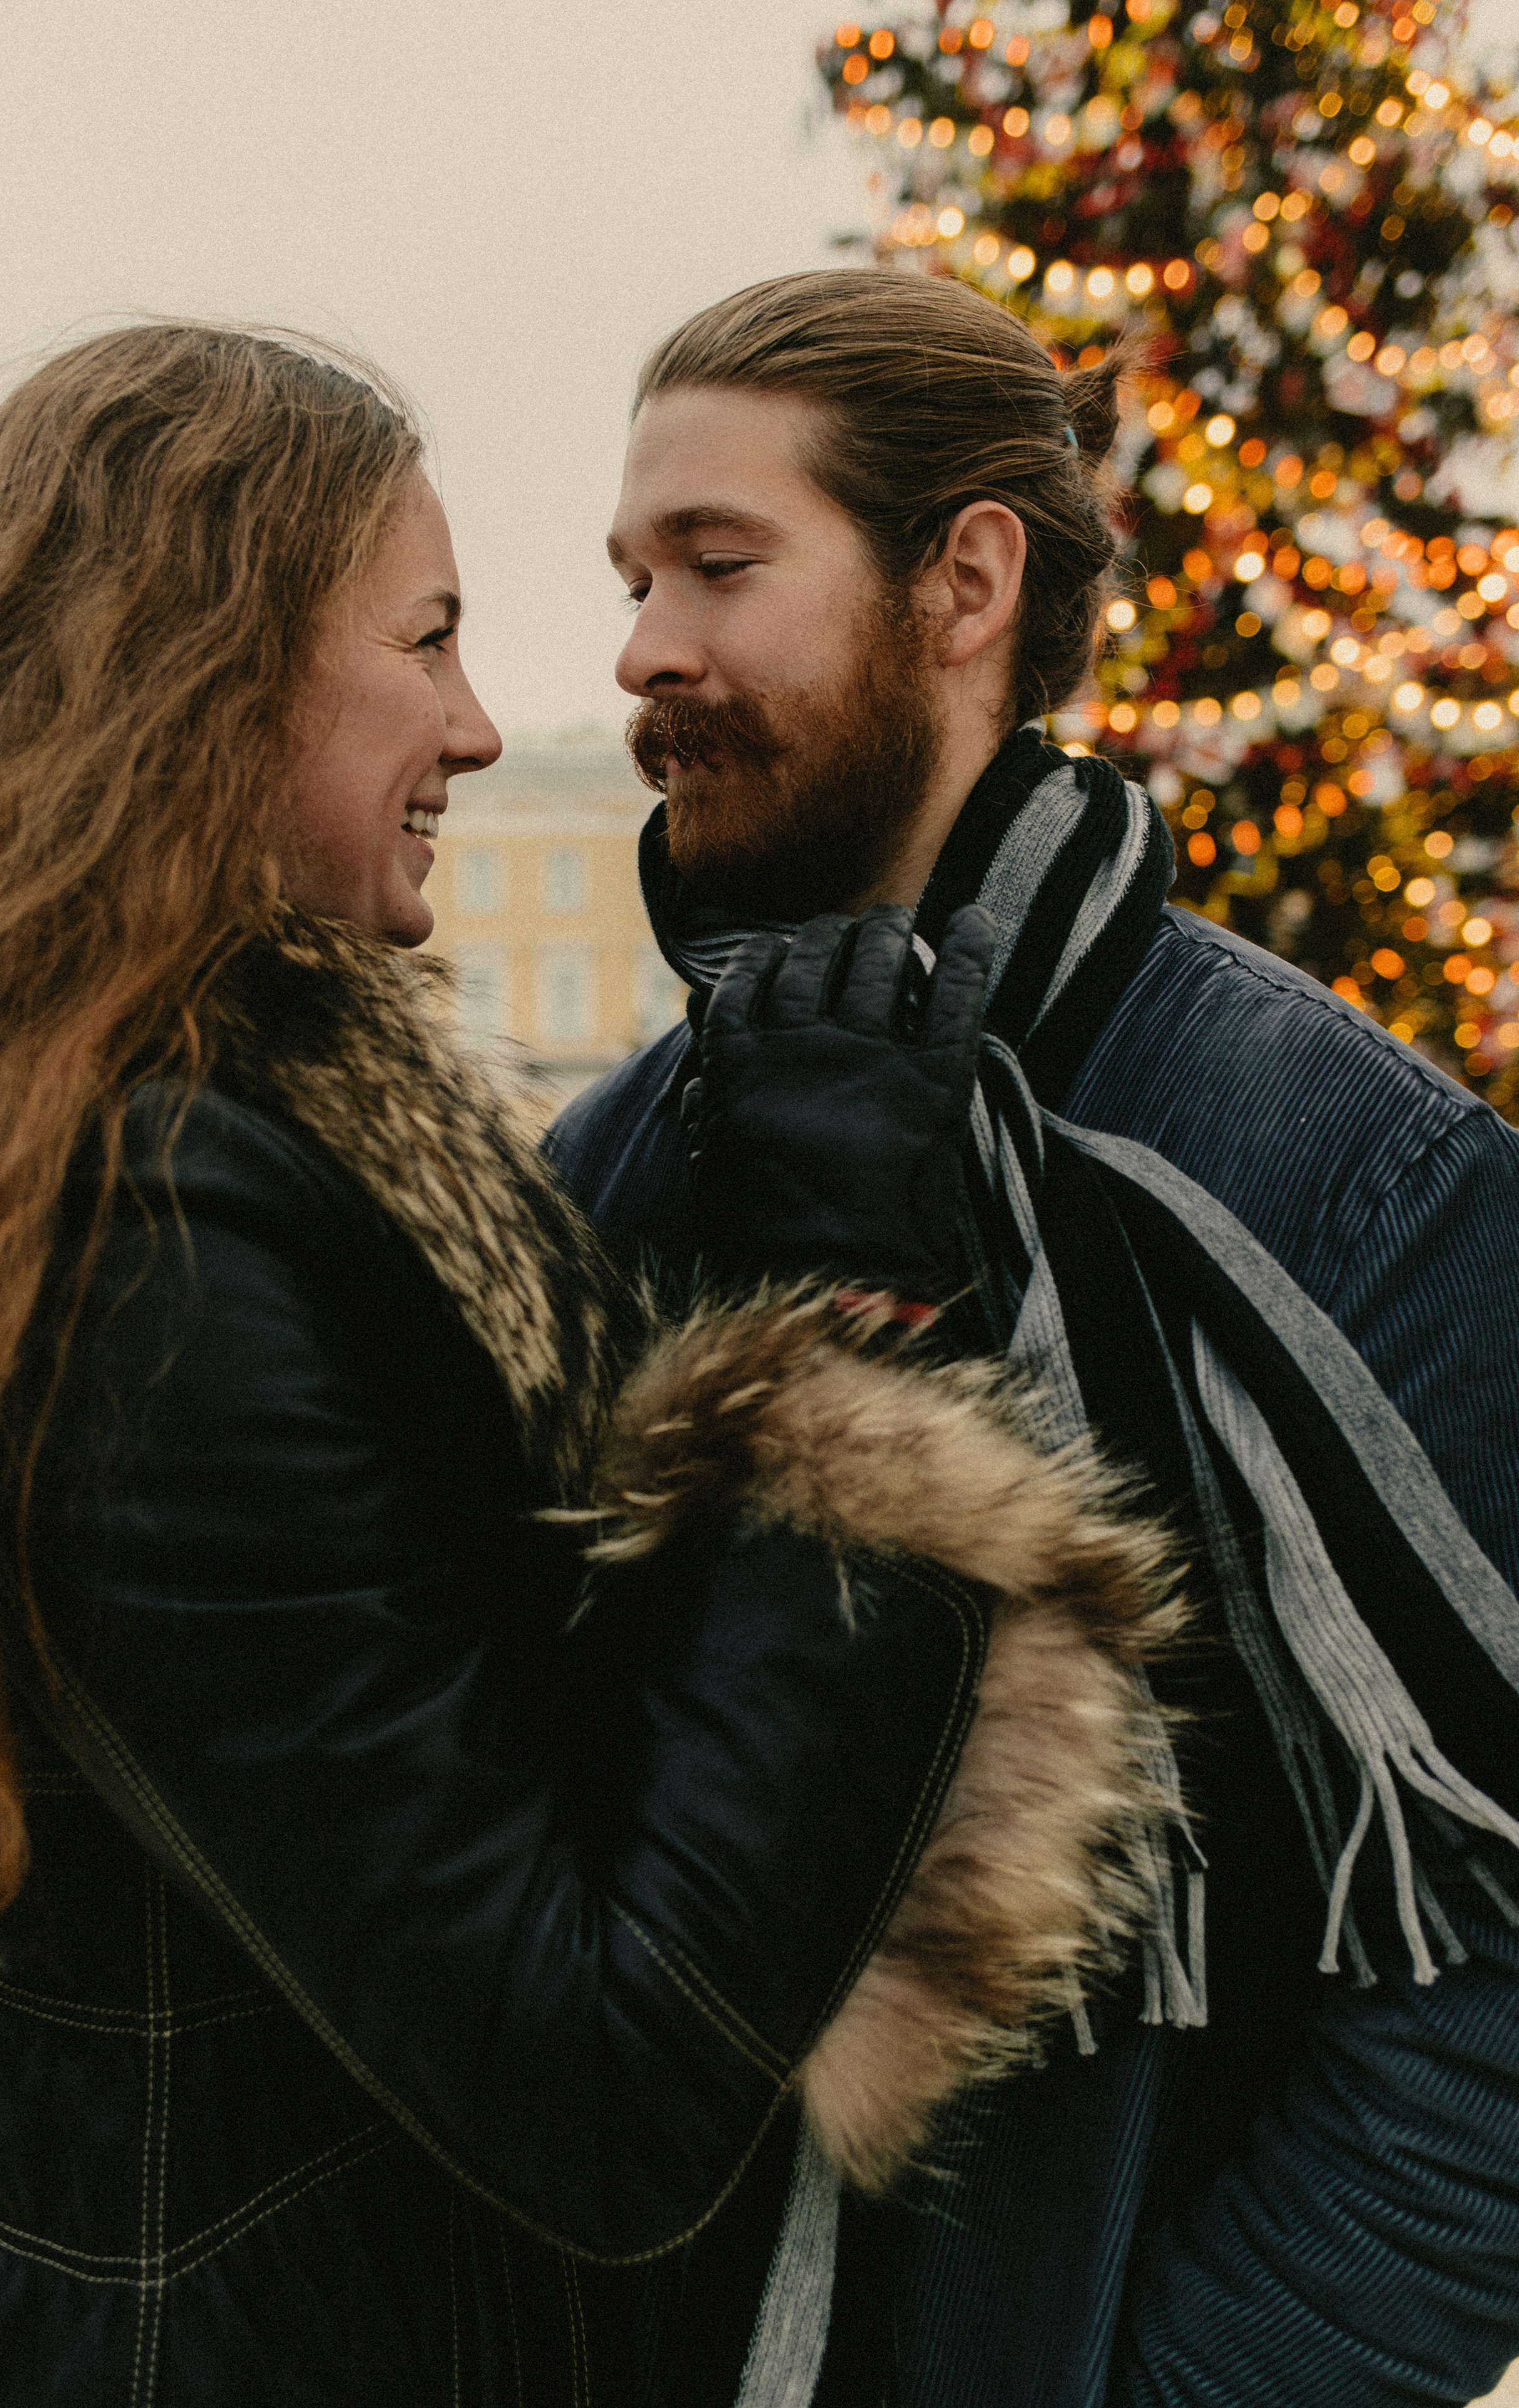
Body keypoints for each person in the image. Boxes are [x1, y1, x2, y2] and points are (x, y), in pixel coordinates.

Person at [0, 322, 1179, 2407]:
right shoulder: (140, 1249)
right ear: (205, 681)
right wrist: (845, 1322)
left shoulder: (234, 1142)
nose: (490, 726)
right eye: (426, 638)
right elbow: (597, 2088)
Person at [546, 268, 1519, 2408]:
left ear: (963, 578)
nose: (641, 654)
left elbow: (1489, 1981)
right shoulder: (617, 1175)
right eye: (632, 580)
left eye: (720, 564)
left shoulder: (1352, 1171)